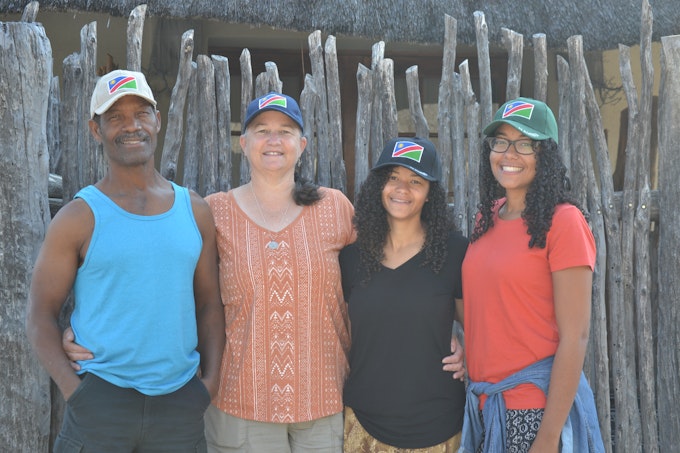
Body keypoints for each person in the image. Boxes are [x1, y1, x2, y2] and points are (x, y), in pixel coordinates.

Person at [26, 69, 225, 452]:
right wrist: (75, 392)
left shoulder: (194, 210)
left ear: (158, 121)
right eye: (115, 117)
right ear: (95, 130)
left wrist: (209, 385)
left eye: (141, 114)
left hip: (179, 406)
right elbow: (39, 315)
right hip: (100, 402)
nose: (131, 126)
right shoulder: (78, 217)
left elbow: (209, 305)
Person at [202, 92, 356, 452]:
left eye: (285, 131)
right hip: (241, 401)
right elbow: (183, 289)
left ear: (301, 145)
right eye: (262, 130)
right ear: (243, 143)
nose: (274, 140)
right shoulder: (216, 211)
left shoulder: (334, 208)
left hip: (323, 397)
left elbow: (377, 284)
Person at [458, 97, 604, 453]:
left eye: (524, 144)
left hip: (534, 411)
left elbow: (576, 336)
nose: (509, 154)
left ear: (546, 154)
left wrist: (548, 437)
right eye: (500, 142)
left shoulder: (564, 222)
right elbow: (487, 306)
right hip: (485, 405)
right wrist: (464, 346)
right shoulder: (487, 217)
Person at [340, 137, 468, 452]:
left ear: (430, 195)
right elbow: (340, 332)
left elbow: (478, 325)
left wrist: (469, 351)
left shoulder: (455, 253)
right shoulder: (353, 257)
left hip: (438, 426)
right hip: (363, 424)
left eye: (416, 181)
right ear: (378, 186)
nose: (402, 188)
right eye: (393, 177)